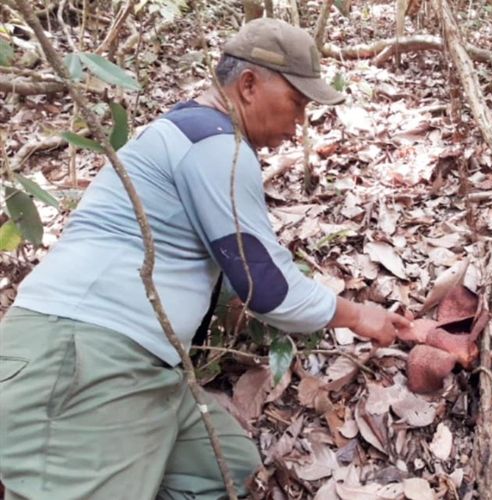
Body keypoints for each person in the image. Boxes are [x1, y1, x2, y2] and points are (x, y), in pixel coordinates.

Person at [0, 18, 410, 499]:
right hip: (85, 354)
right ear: (249, 85)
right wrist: (360, 315)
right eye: (297, 103)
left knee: (224, 466)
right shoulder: (213, 143)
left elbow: (246, 272)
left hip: (130, 360)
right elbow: (265, 289)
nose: (298, 121)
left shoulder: (197, 133)